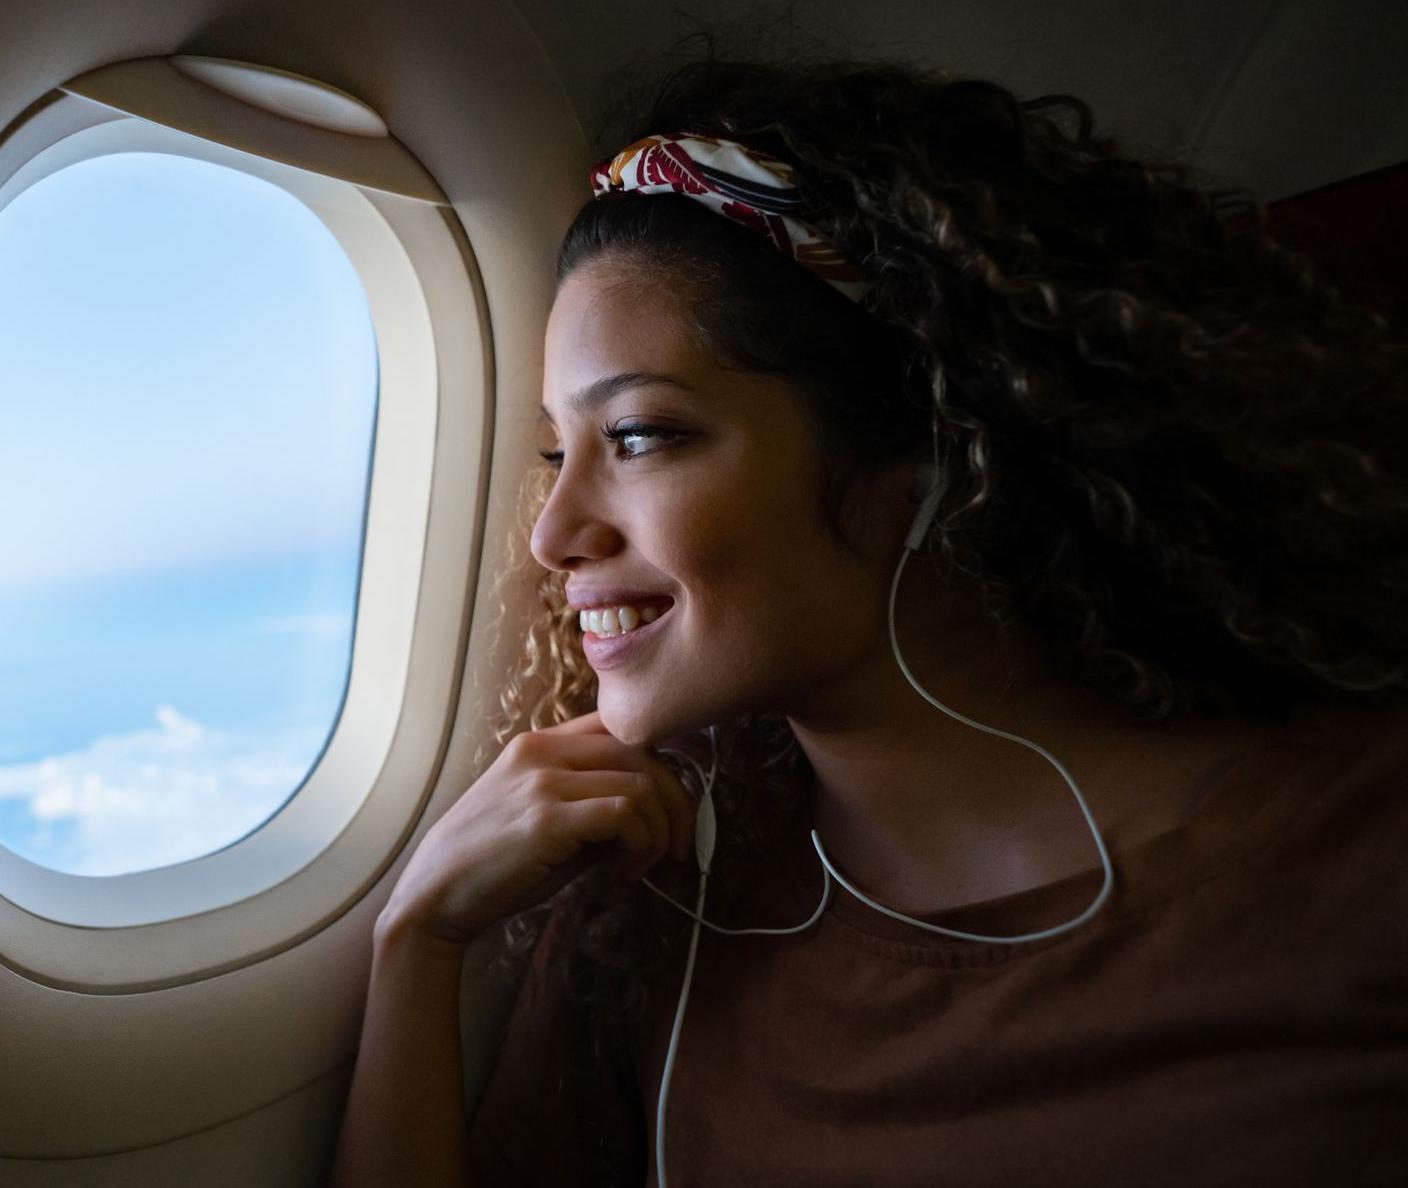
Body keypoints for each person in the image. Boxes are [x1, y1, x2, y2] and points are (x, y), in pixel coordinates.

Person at [329, 53, 1408, 1188]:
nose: (553, 535)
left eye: (641, 437)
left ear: (931, 450)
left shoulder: (1358, 852)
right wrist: (418, 946)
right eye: (560, 453)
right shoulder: (661, 910)